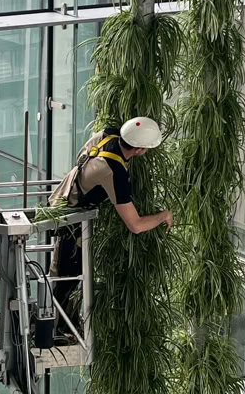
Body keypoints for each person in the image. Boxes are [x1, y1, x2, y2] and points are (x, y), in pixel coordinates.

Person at [47, 116, 172, 325]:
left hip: (64, 196)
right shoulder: (114, 172)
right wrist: (163, 216)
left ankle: (59, 325)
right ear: (140, 149)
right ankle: (55, 331)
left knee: (65, 273)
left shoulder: (108, 135)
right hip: (71, 219)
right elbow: (136, 225)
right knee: (67, 277)